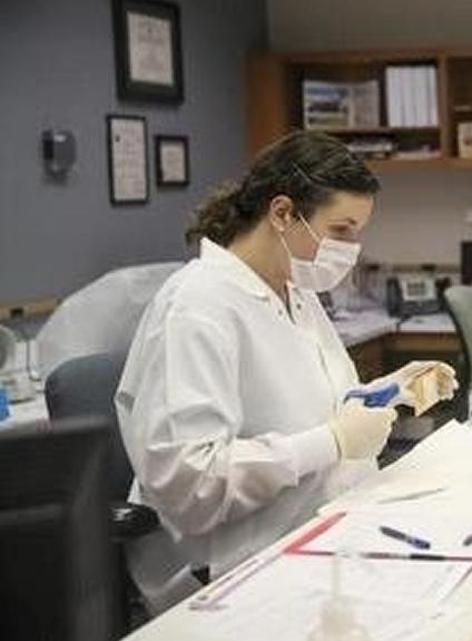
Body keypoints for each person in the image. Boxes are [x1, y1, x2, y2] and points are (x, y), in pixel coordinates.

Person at [115, 131, 453, 612]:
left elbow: (321, 409)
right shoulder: (197, 307)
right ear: (282, 213)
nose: (352, 249)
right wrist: (333, 441)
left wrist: (388, 391)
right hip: (228, 570)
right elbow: (191, 482)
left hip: (321, 532)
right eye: (341, 230)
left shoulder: (295, 292)